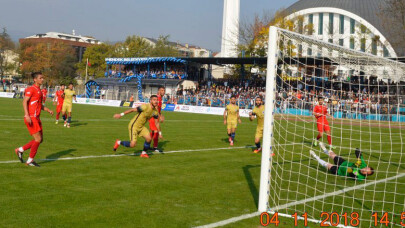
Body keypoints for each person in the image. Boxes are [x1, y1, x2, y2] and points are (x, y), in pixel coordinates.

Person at [14, 72, 54, 167]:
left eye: (43, 78)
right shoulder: (31, 89)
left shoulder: (39, 90)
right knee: (38, 139)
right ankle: (30, 160)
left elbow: (39, 105)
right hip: (31, 117)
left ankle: (20, 150)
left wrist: (48, 110)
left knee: (40, 139)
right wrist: (27, 115)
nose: (42, 79)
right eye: (40, 78)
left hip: (37, 118)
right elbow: (24, 102)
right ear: (35, 79)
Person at [310, 143, 374, 180]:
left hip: (339, 171)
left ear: (366, 175)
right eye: (366, 169)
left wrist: (352, 169)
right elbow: (358, 152)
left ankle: (315, 156)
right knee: (333, 155)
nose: (364, 170)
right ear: (366, 166)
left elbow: (353, 175)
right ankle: (324, 149)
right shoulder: (363, 164)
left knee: (327, 165)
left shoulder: (361, 177)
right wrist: (358, 156)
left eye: (366, 172)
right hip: (344, 163)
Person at [149, 86, 165, 152]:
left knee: (153, 131)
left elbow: (158, 109)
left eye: (164, 90)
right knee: (156, 131)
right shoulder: (157, 98)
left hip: (154, 115)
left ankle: (147, 145)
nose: (163, 92)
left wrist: (160, 115)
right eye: (161, 90)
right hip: (153, 116)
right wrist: (159, 116)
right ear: (158, 91)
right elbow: (155, 108)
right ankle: (155, 148)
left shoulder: (160, 98)